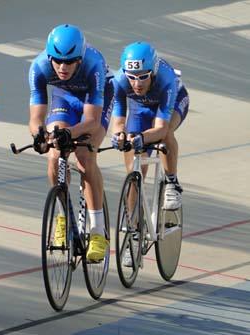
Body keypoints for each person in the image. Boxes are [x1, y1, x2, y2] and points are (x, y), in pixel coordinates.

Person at [28, 24, 114, 262]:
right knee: (55, 155)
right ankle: (62, 218)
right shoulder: (39, 67)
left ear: (80, 57)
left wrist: (71, 134)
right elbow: (36, 116)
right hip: (63, 98)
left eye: (70, 61)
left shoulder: (93, 63)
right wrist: (40, 135)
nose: (62, 67)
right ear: (49, 57)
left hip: (95, 98)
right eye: (57, 61)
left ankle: (97, 230)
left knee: (86, 157)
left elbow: (92, 121)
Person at [110, 41, 189, 267]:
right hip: (140, 109)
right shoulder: (119, 81)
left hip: (170, 104)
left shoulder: (166, 79)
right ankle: (133, 234)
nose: (136, 82)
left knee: (165, 135)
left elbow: (161, 128)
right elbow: (118, 121)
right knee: (134, 173)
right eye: (132, 76)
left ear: (153, 71)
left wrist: (144, 138)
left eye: (143, 76)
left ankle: (172, 182)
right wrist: (120, 136)